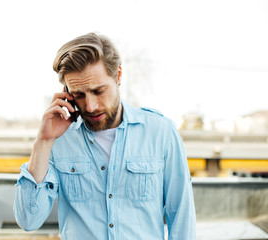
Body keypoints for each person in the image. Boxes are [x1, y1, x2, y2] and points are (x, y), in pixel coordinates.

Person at [13, 32, 196, 239]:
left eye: (98, 91)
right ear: (66, 91)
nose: (90, 106)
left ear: (118, 76)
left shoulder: (161, 132)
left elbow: (182, 219)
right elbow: (28, 220)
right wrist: (44, 142)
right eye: (78, 95)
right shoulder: (58, 139)